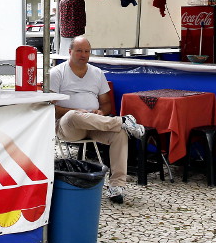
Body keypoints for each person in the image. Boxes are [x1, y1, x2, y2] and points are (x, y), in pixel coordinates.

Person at [50, 35, 145, 204]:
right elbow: (51, 107)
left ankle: (116, 185)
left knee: (119, 134)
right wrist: (75, 110)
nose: (83, 55)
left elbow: (107, 104)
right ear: (70, 51)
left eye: (87, 51)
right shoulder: (57, 73)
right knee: (74, 115)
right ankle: (123, 121)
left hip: (94, 124)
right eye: (79, 51)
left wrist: (101, 111)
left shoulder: (97, 73)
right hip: (68, 126)